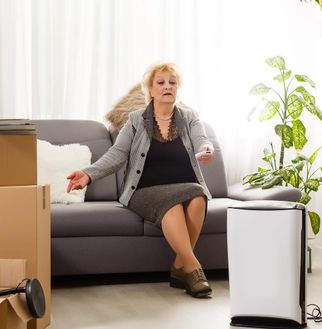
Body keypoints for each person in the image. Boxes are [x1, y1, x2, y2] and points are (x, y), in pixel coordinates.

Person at [66, 62, 215, 298]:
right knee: (174, 205)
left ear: (178, 88)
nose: (168, 86)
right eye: (161, 82)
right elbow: (117, 154)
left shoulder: (189, 118)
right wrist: (89, 174)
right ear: (151, 89)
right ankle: (194, 269)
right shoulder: (136, 120)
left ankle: (179, 266)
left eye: (172, 82)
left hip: (186, 186)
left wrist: (206, 149)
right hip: (146, 189)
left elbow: (201, 139)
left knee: (198, 197)